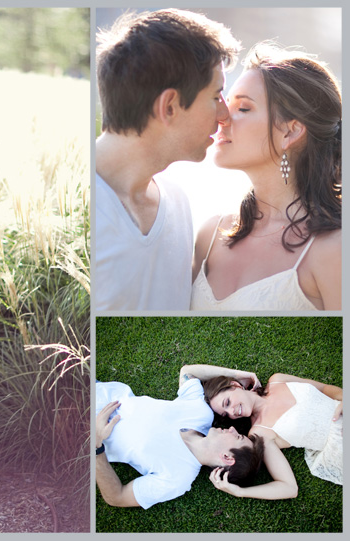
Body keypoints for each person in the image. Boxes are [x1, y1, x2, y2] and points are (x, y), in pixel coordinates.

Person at [94, 9, 239, 311]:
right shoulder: (87, 208)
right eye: (216, 96)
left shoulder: (178, 203)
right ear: (170, 106)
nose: (225, 115)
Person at [191, 43, 342, 310]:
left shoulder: (333, 249)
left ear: (290, 132)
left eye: (244, 108)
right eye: (226, 103)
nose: (222, 117)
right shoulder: (210, 235)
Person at [95, 367, 264, 509]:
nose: (233, 428)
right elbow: (188, 372)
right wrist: (237, 375)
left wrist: (96, 446)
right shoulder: (202, 413)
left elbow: (117, 497)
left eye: (239, 437)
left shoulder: (177, 479)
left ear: (227, 458)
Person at [184, 364, 342, 499]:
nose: (232, 412)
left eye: (228, 402)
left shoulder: (277, 380)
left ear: (236, 385)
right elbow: (289, 487)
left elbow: (324, 388)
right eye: (226, 414)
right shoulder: (260, 433)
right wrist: (239, 492)